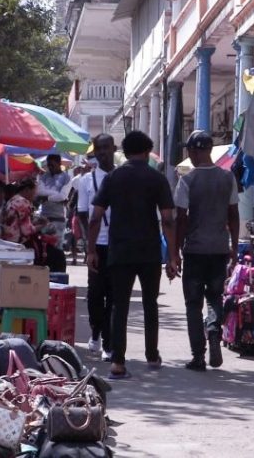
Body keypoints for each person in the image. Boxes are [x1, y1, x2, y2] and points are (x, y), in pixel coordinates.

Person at [87, 130, 178, 380]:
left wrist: (91, 250)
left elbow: (95, 218)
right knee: (150, 304)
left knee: (119, 305)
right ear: (147, 152)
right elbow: (168, 220)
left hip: (120, 250)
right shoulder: (157, 179)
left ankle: (118, 362)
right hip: (149, 252)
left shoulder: (113, 178)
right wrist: (172, 255)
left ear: (123, 152)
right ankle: (151, 354)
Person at [172, 130, 239, 371]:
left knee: (193, 304)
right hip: (219, 249)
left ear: (192, 151)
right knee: (215, 296)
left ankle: (198, 356)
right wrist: (233, 246)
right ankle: (213, 329)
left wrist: (176, 251)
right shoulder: (228, 178)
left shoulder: (187, 181)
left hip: (195, 250)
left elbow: (180, 218)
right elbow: (233, 214)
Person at [79, 135, 116, 361]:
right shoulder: (86, 180)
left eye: (106, 148)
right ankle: (95, 333)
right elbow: (83, 214)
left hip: (118, 246)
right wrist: (87, 244)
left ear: (114, 149)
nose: (102, 152)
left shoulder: (122, 176)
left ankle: (109, 344)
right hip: (96, 246)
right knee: (95, 294)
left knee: (113, 296)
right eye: (98, 149)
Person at [37, 154, 71, 248]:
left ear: (59, 164)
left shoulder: (66, 178)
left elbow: (63, 196)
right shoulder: (44, 176)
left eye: (52, 165)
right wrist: (55, 194)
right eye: (49, 165)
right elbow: (40, 192)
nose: (50, 167)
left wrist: (47, 197)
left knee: (57, 247)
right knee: (43, 247)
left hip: (59, 218)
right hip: (44, 218)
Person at [0, 177, 39, 247]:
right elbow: (27, 230)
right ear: (27, 190)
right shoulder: (23, 203)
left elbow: (17, 221)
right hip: (18, 243)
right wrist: (43, 225)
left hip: (6, 240)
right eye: (34, 192)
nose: (35, 196)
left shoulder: (11, 200)